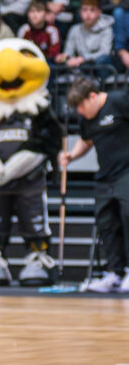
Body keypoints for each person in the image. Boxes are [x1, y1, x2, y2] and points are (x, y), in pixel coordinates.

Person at [62, 77, 129, 293]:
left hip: (127, 172)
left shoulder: (119, 101)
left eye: (81, 106)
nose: (80, 111)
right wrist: (71, 156)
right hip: (105, 176)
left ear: (93, 96)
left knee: (128, 216)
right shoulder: (87, 119)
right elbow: (87, 140)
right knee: (106, 222)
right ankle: (115, 273)